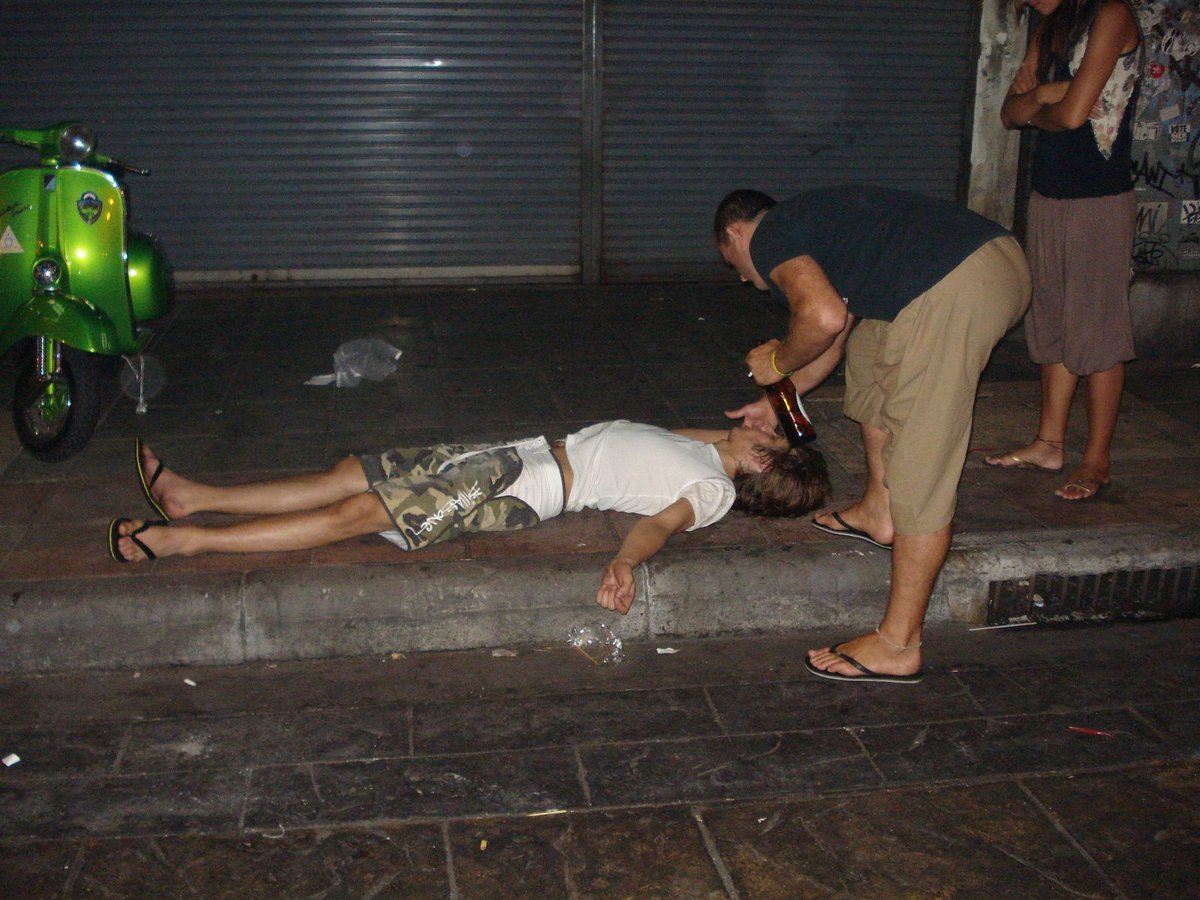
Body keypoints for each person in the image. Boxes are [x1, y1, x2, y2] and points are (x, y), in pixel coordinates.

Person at [716, 186, 1032, 684]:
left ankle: (898, 643)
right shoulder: (818, 228)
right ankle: (879, 512)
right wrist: (778, 400)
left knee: (921, 457)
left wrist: (774, 362)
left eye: (730, 261)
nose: (741, 276)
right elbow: (834, 333)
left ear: (736, 234)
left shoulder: (771, 234)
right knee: (869, 353)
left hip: (955, 283)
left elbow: (820, 318)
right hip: (981, 263)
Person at [109, 425, 830, 615]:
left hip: (528, 484)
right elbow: (694, 435)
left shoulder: (714, 490)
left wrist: (625, 561)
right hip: (518, 453)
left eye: (771, 440)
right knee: (352, 474)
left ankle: (183, 542)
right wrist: (750, 432)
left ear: (762, 463)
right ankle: (192, 496)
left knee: (354, 514)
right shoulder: (707, 449)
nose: (762, 428)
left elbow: (660, 524)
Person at [985, 0, 1142, 501]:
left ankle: (1096, 460)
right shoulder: (1049, 27)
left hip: (1099, 198)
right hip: (1048, 193)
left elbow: (1075, 116)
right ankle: (1049, 444)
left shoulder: (1111, 13)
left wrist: (1044, 104)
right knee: (1050, 321)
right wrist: (1046, 96)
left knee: (1098, 330)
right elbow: (1009, 113)